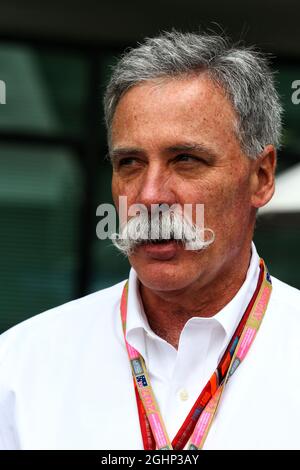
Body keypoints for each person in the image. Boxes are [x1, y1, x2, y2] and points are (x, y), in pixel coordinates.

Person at [0, 30, 299, 451]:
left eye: (186, 159)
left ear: (262, 176)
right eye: (130, 162)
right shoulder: (19, 369)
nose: (149, 195)